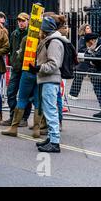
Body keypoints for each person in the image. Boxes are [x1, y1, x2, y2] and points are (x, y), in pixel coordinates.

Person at [29, 16, 65, 153]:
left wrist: (39, 68)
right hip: (47, 79)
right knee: (49, 110)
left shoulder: (54, 42)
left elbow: (54, 64)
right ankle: (51, 138)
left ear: (45, 29)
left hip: (50, 79)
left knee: (50, 111)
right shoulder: (49, 40)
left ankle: (55, 142)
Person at [2, 34, 43, 138]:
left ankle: (14, 128)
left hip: (27, 71)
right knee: (38, 101)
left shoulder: (27, 38)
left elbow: (20, 56)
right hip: (40, 72)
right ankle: (36, 129)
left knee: (22, 99)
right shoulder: (46, 39)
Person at [69, 33, 101, 118]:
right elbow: (88, 59)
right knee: (97, 87)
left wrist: (82, 56)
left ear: (91, 41)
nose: (86, 45)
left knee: (97, 87)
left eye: (86, 43)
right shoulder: (91, 48)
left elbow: (94, 57)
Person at [1, 12, 32, 126]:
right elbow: (10, 49)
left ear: (28, 21)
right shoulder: (14, 34)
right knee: (10, 93)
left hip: (27, 69)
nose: (21, 23)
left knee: (26, 95)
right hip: (16, 68)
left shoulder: (31, 34)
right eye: (19, 21)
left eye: (23, 21)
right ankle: (13, 116)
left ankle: (24, 118)